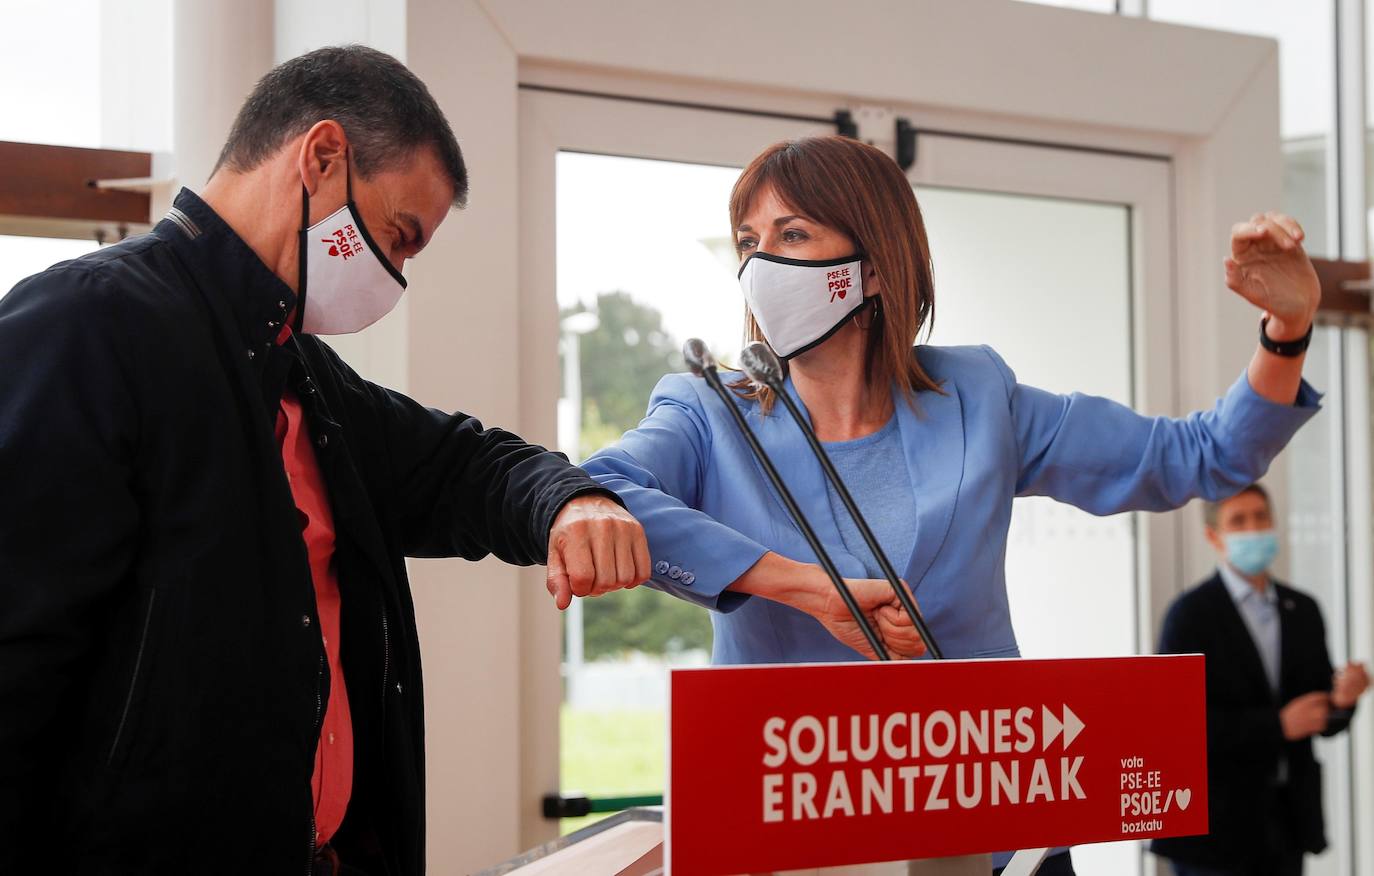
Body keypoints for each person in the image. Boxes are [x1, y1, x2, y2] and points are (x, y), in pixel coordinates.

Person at [580, 135, 1323, 875]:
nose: (759, 264)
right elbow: (602, 494)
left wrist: (1286, 333)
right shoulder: (708, 412)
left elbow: (1200, 455)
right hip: (792, 838)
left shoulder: (978, 396)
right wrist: (801, 586)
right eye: (749, 242)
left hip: (993, 830)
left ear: (874, 266)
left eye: (793, 234)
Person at [0, 46, 648, 874]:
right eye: (398, 236)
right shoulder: (83, 328)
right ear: (323, 157)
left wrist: (570, 500)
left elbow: (465, 466)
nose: (396, 277)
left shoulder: (303, 375)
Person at [1151, 484, 1369, 876]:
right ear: (1214, 536)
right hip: (1213, 832)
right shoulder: (1189, 617)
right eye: (1239, 521)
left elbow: (1321, 716)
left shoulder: (1303, 610)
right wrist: (1277, 725)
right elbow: (1175, 728)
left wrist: (1344, 699)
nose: (1253, 529)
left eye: (1261, 517)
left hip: (1286, 824)